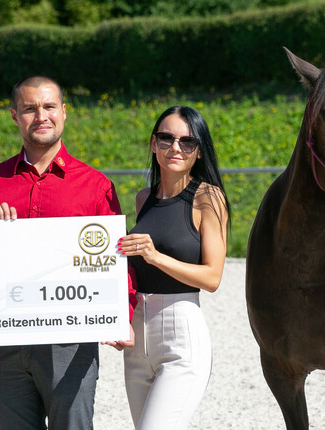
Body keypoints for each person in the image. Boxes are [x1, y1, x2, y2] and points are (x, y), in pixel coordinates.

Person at [0, 76, 134, 429]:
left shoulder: (95, 186)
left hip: (70, 341)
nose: (40, 115)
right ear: (15, 116)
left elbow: (117, 258)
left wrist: (124, 314)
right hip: (3, 340)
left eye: (49, 106)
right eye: (29, 108)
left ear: (63, 113)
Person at [118, 106, 230, 429]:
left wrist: (156, 257)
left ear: (198, 152)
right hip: (137, 340)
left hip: (181, 335)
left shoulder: (209, 198)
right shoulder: (143, 199)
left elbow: (212, 277)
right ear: (153, 144)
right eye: (166, 138)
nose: (175, 148)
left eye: (187, 141)